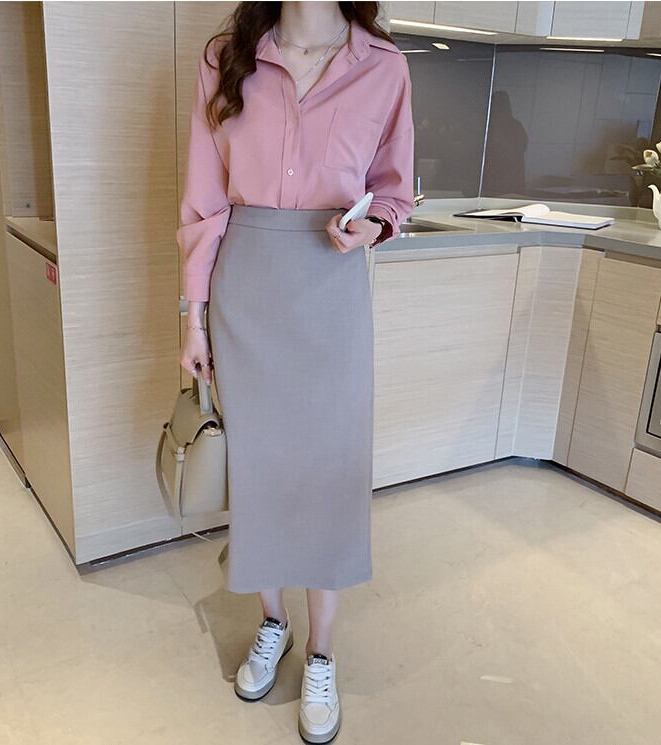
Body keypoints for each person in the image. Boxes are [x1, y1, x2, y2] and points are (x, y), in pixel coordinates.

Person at [177, 2, 414, 742]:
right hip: (245, 290)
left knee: (329, 473)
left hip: (329, 291)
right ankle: (273, 622)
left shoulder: (384, 66)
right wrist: (192, 316)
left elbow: (395, 189)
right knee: (261, 470)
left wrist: (374, 224)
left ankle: (321, 653)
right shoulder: (225, 57)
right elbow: (203, 200)